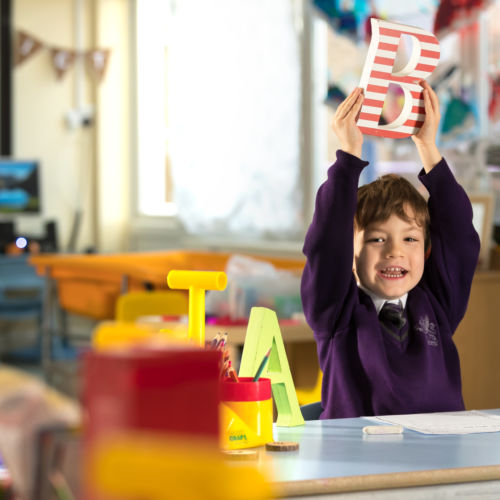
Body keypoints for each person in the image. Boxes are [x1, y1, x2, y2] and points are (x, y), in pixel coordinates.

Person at [300, 81, 480, 419]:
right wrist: (350, 154)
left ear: (426, 250)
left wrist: (427, 147)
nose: (394, 252)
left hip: (438, 462)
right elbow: (326, 243)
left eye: (409, 239)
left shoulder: (437, 304)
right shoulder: (335, 313)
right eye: (376, 239)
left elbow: (458, 237)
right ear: (349, 253)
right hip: (362, 464)